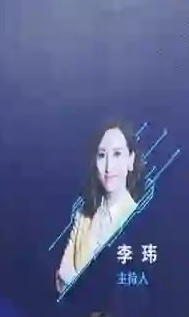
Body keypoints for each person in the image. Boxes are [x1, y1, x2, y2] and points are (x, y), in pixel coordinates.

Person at [56, 121, 145, 292]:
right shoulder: (83, 215)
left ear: (130, 160)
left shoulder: (137, 216)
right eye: (102, 155)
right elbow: (62, 281)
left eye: (117, 154)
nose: (108, 167)